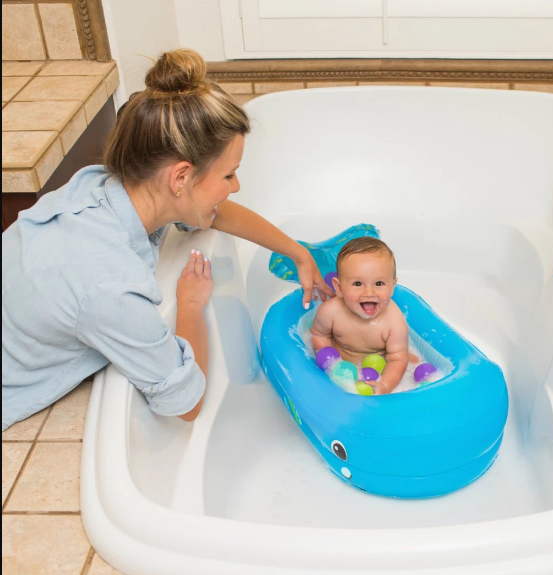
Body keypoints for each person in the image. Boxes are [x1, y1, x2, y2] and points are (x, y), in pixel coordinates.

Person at [1, 48, 332, 431]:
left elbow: (214, 213)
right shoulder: (109, 286)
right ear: (180, 178)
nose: (236, 186)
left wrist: (295, 251)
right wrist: (190, 305)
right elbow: (185, 404)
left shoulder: (103, 188)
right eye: (228, 176)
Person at [310, 237, 410, 395]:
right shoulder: (330, 312)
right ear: (339, 288)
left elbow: (397, 359)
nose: (369, 293)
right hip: (342, 367)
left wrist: (385, 385)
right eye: (358, 284)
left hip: (377, 370)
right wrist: (330, 363)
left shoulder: (394, 322)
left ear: (392, 287)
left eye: (379, 283)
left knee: (407, 358)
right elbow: (318, 334)